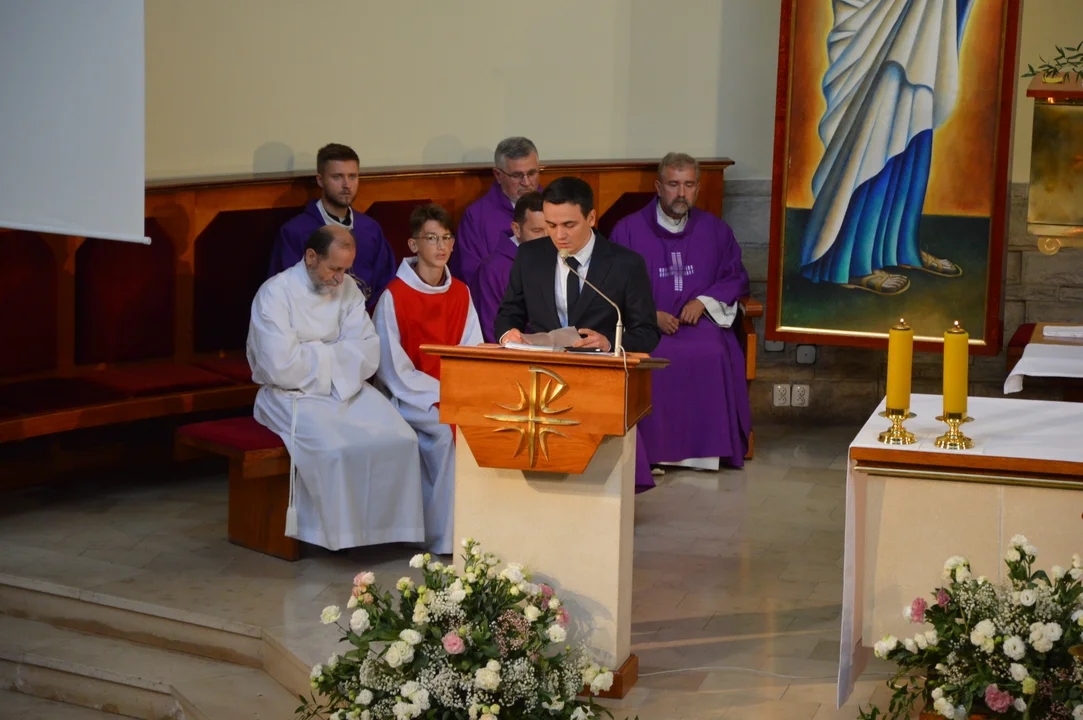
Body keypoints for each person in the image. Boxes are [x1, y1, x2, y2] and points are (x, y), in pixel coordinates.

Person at [247, 224, 426, 551]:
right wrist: (336, 355)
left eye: (346, 269)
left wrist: (313, 353)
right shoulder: (276, 294)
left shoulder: (348, 290)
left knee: (401, 439)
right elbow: (280, 364)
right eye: (334, 268)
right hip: (289, 395)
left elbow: (368, 351)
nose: (340, 279)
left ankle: (387, 532)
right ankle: (340, 537)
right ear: (311, 257)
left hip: (345, 389)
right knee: (335, 448)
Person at [494, 176, 660, 491]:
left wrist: (611, 342)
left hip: (598, 381)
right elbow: (507, 314)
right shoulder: (530, 256)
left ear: (592, 218)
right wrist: (508, 336)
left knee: (590, 478)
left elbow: (648, 332)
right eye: (551, 224)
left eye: (569, 224)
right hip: (539, 381)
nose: (559, 235)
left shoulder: (626, 264)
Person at [797, 0, 969, 294]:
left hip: (920, 17)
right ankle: (850, 263)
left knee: (913, 118)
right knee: (875, 132)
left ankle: (900, 249)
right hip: (879, 21)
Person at [610, 153, 751, 470]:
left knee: (713, 351)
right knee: (648, 357)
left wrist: (703, 301)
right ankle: (652, 455)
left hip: (697, 326)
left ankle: (705, 455)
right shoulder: (628, 231)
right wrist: (650, 314)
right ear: (659, 186)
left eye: (688, 185)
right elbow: (611, 284)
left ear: (698, 188)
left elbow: (735, 276)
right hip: (646, 327)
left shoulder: (716, 231)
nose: (681, 193)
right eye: (674, 184)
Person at [374, 204, 482, 556]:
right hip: (409, 398)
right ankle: (440, 534)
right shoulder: (394, 296)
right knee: (443, 431)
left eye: (446, 238)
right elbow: (392, 368)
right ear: (413, 245)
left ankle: (474, 524)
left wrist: (460, 391)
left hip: (453, 392)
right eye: (431, 238)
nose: (440, 246)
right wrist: (440, 393)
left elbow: (473, 349)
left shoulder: (461, 293)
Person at [268, 143, 396, 309]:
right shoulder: (296, 232)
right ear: (320, 180)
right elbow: (284, 291)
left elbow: (386, 286)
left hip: (364, 324)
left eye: (352, 176)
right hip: (314, 325)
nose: (346, 185)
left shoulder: (370, 229)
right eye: (337, 177)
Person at [452, 136, 542, 285]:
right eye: (517, 175)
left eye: (532, 173)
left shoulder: (555, 207)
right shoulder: (476, 218)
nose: (527, 183)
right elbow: (472, 278)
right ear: (498, 175)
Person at [470, 191, 548, 343]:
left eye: (550, 229)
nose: (547, 239)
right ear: (517, 229)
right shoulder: (492, 270)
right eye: (537, 231)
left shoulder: (559, 259)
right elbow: (491, 330)